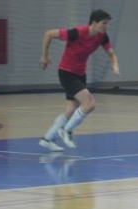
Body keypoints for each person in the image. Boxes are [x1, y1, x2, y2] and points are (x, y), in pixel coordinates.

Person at [38, 9, 119, 152]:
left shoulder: (102, 36)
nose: (107, 26)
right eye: (104, 23)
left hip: (80, 74)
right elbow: (49, 34)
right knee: (89, 103)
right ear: (94, 23)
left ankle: (47, 139)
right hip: (66, 72)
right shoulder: (77, 32)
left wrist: (114, 65)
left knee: (70, 110)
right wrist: (44, 56)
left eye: (108, 24)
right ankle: (67, 130)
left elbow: (111, 54)